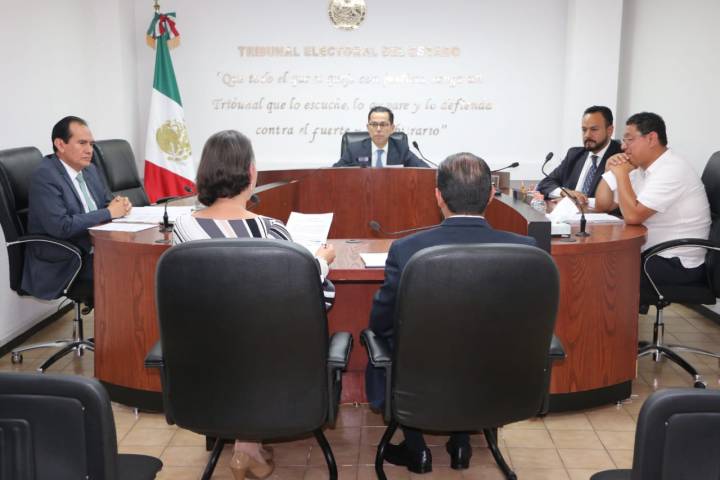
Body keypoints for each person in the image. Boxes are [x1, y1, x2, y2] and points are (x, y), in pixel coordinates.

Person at [172, 129, 336, 480]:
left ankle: (247, 449)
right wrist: (321, 262)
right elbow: (314, 298)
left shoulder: (182, 229)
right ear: (250, 173)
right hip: (272, 364)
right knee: (264, 334)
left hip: (209, 361)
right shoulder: (271, 231)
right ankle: (248, 450)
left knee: (238, 335)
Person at [366, 152, 537, 474]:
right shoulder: (526, 249)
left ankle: (416, 448)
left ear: (438, 196)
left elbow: (381, 322)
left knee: (399, 342)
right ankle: (461, 443)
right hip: (492, 378)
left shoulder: (406, 249)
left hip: (423, 378)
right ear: (491, 194)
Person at [595, 112, 710, 307]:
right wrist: (609, 171)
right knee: (597, 264)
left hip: (676, 262)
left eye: (629, 140)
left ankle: (615, 326)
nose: (623, 147)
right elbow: (603, 205)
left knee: (604, 273)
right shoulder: (642, 170)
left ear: (651, 138)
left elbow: (633, 216)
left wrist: (621, 175)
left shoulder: (672, 169)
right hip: (651, 254)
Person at [22, 116, 131, 300]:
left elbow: (105, 203)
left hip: (95, 248)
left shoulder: (89, 170)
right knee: (128, 275)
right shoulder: (45, 176)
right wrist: (109, 212)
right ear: (60, 144)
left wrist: (120, 205)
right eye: (82, 143)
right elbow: (61, 226)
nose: (89, 150)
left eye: (91, 144)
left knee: (139, 264)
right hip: (66, 259)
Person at [537, 105, 622, 204]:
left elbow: (616, 201)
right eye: (584, 130)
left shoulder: (620, 157)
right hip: (567, 212)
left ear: (609, 130)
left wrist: (578, 201)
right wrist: (565, 193)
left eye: (594, 129)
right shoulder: (574, 154)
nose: (587, 135)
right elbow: (545, 184)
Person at [333, 106, 428, 167]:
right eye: (374, 124)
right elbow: (333, 173)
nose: (378, 129)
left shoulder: (401, 149)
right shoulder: (354, 150)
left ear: (392, 128)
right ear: (368, 128)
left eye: (383, 124)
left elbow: (425, 171)